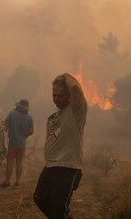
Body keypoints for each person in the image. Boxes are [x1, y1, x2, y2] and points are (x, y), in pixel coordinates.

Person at [33, 73, 87, 219]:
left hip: (67, 167)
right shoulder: (54, 116)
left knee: (58, 209)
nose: (56, 99)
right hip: (51, 165)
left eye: (60, 95)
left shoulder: (76, 110)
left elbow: (75, 87)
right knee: (40, 198)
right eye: (54, 95)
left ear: (69, 96)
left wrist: (65, 76)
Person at [0, 99, 34, 189]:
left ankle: (7, 182)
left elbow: (5, 126)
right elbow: (31, 131)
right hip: (22, 144)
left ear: (18, 106)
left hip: (12, 144)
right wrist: (24, 136)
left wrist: (3, 138)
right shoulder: (29, 117)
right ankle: (17, 183)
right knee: (19, 163)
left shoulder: (12, 114)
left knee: (10, 162)